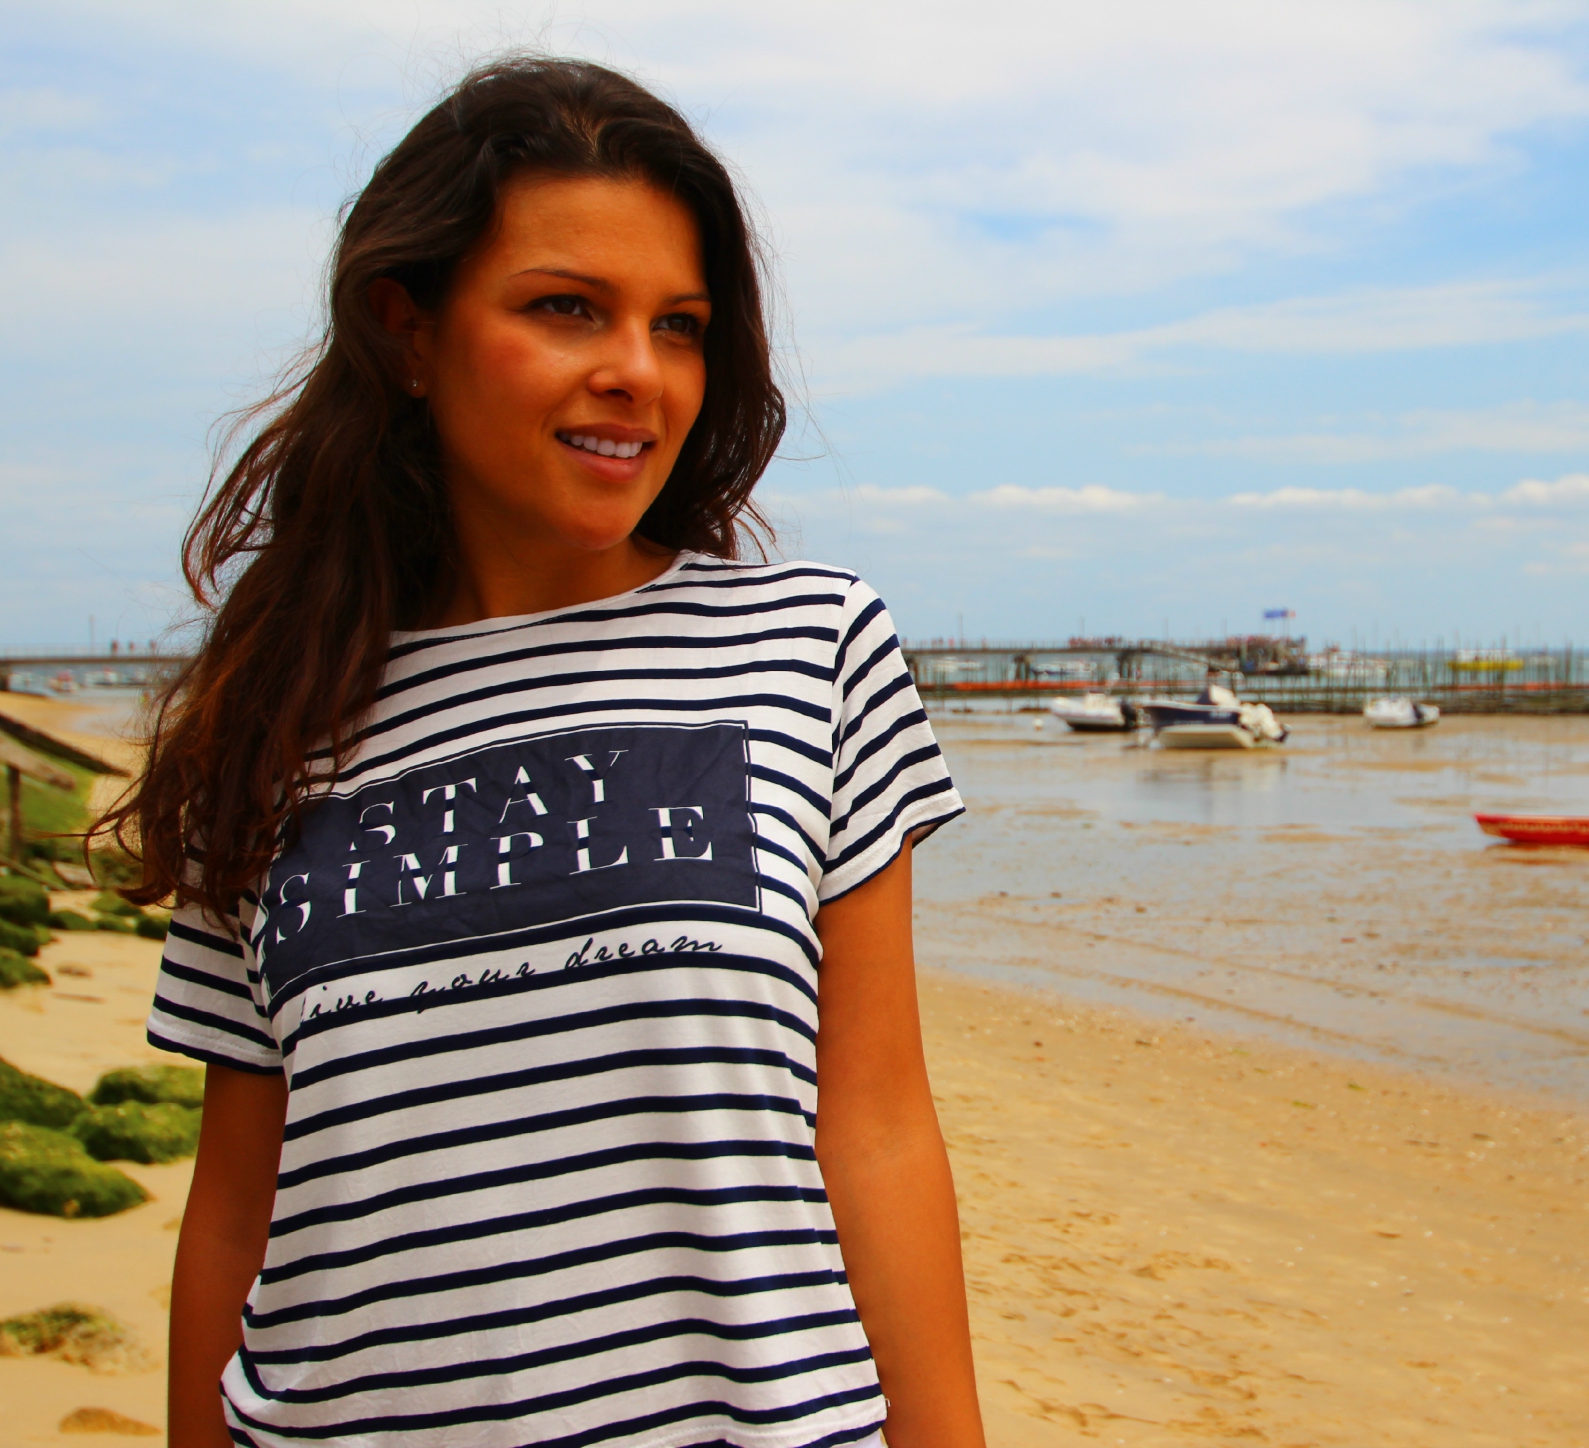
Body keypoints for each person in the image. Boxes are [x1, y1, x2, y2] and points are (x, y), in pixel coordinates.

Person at [105, 56, 984, 1448]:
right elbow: (235, 1209)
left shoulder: (808, 645)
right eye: (568, 306)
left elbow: (875, 1131)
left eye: (679, 325)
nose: (636, 371)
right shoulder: (272, 709)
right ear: (408, 329)